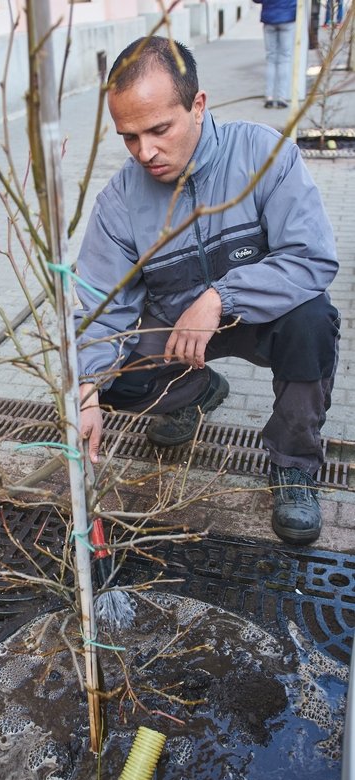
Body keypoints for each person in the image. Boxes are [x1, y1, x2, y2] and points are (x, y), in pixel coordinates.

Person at [75, 36, 340, 546]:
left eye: (159, 130)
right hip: (177, 332)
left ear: (198, 104)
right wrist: (85, 390)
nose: (145, 152)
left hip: (263, 319)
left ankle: (293, 462)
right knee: (107, 375)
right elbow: (101, 311)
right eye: (129, 137)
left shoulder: (264, 155)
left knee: (313, 322)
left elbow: (310, 258)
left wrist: (221, 297)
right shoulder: (119, 203)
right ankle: (194, 393)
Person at [253, 0, 297, 108]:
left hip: (269, 19)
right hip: (287, 18)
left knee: (270, 58)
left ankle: (269, 97)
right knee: (285, 58)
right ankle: (282, 97)